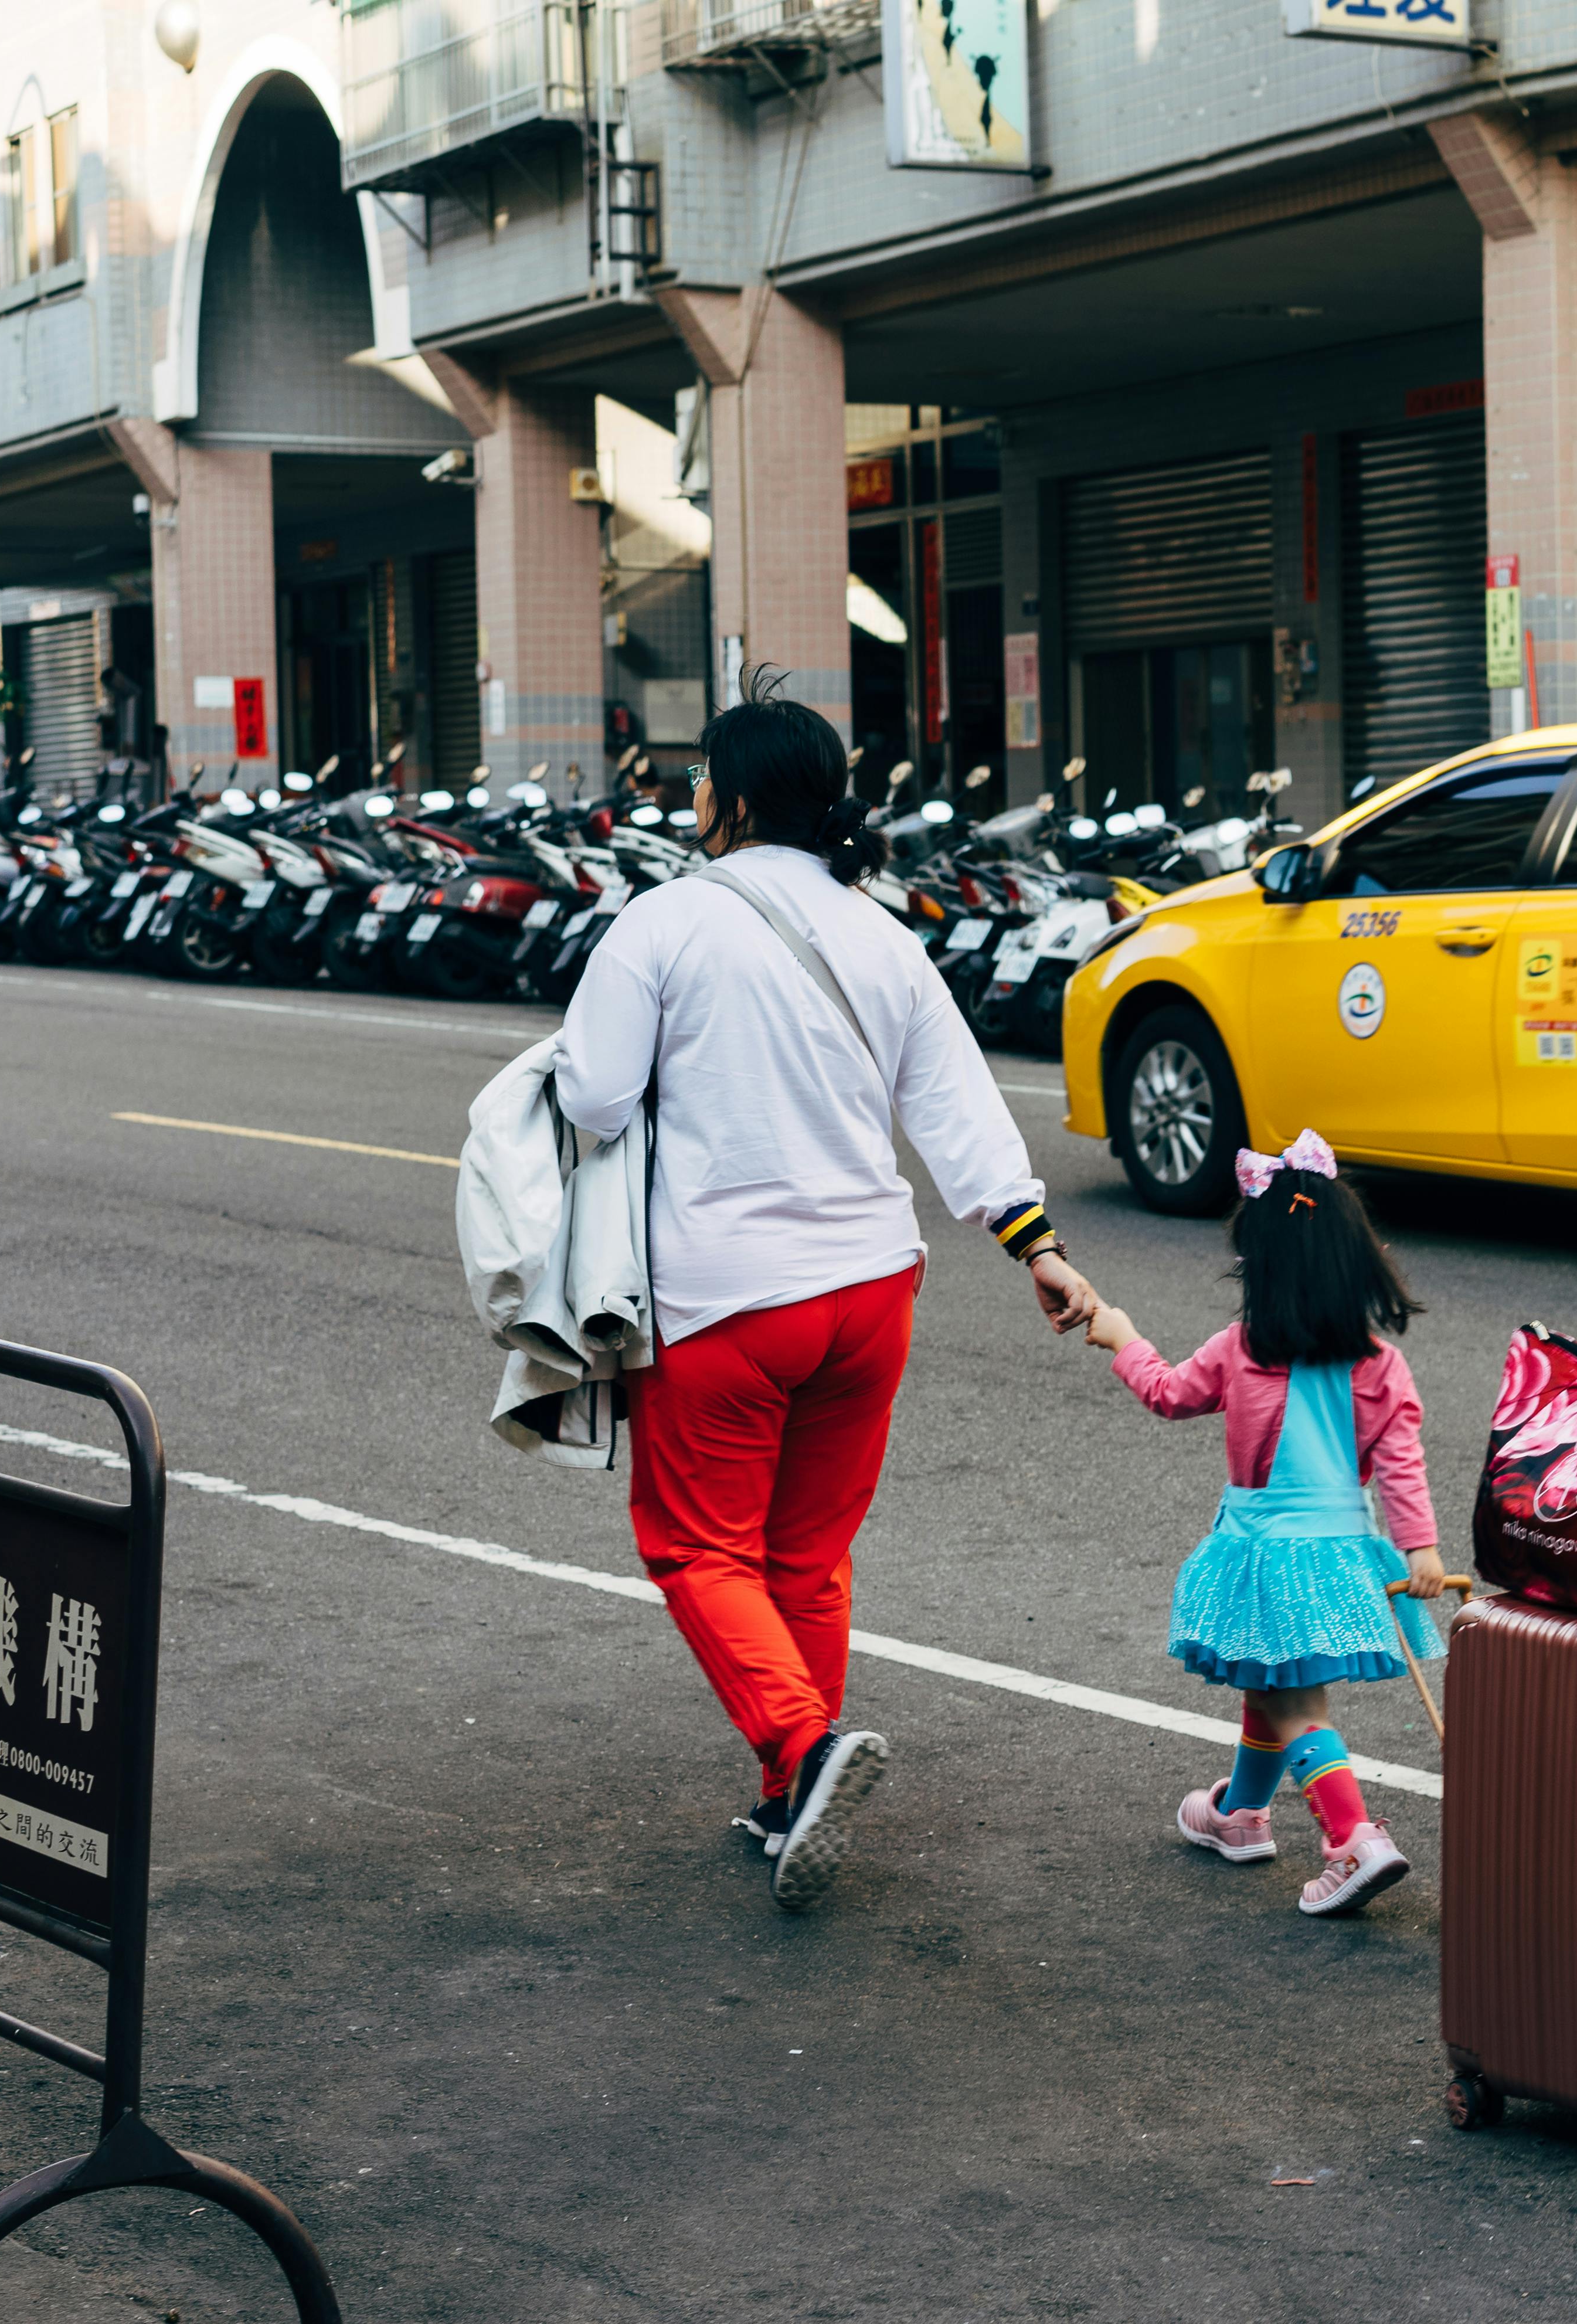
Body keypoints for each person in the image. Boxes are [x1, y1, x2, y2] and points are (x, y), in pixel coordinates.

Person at [553, 672, 1100, 1912]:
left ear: (737, 800)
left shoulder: (666, 923)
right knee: (808, 1553)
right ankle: (788, 1789)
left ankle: (805, 1752)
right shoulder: (881, 932)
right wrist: (1036, 1245)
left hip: (726, 1300)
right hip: (871, 1294)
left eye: (700, 778)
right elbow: (956, 1108)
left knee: (697, 1545)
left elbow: (587, 1097)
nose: (690, 796)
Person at [1082, 1130, 1447, 1917]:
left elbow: (1169, 1394)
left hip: (1262, 1553)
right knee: (1271, 1682)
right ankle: (1239, 1816)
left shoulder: (1242, 1349)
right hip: (1342, 1554)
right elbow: (1401, 1463)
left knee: (1295, 1708)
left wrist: (1124, 1339)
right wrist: (1418, 1547)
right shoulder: (1380, 1364)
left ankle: (1353, 1838)